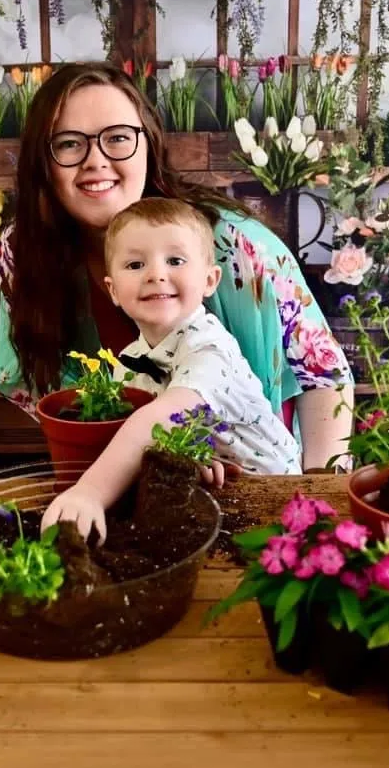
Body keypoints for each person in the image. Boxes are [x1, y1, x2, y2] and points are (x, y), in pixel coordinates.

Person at [0, 61, 354, 471]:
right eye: (69, 143)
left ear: (149, 144)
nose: (96, 160)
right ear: (43, 160)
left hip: (258, 472)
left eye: (118, 138)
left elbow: (323, 374)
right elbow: (39, 384)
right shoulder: (24, 251)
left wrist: (319, 492)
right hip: (121, 471)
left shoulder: (233, 244)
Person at [40, 197, 303, 542]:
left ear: (210, 280)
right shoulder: (132, 359)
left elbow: (163, 417)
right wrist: (190, 460)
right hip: (217, 496)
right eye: (135, 265)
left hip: (278, 498)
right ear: (113, 290)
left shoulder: (210, 349)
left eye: (175, 260)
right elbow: (146, 444)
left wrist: (90, 491)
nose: (155, 274)